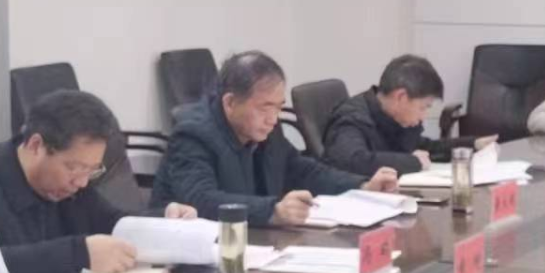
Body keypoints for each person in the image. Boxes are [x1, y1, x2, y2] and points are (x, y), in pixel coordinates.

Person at [0, 89, 196, 273]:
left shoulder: (72, 186)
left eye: (91, 170)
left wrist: (164, 219)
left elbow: (109, 222)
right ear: (36, 146)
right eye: (73, 168)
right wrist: (79, 254)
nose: (82, 182)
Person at [152, 51, 399, 225]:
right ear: (230, 103)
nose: (273, 118)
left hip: (256, 246)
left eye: (279, 107)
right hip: (190, 259)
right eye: (264, 107)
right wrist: (273, 211)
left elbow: (302, 170)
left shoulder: (266, 127)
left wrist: (362, 185)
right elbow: (202, 201)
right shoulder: (193, 135)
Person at [324, 54, 444, 176]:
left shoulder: (393, 118)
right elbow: (351, 160)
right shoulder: (352, 119)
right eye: (423, 107)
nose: (423, 117)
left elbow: (420, 147)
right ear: (401, 97)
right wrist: (413, 162)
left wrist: (456, 148)